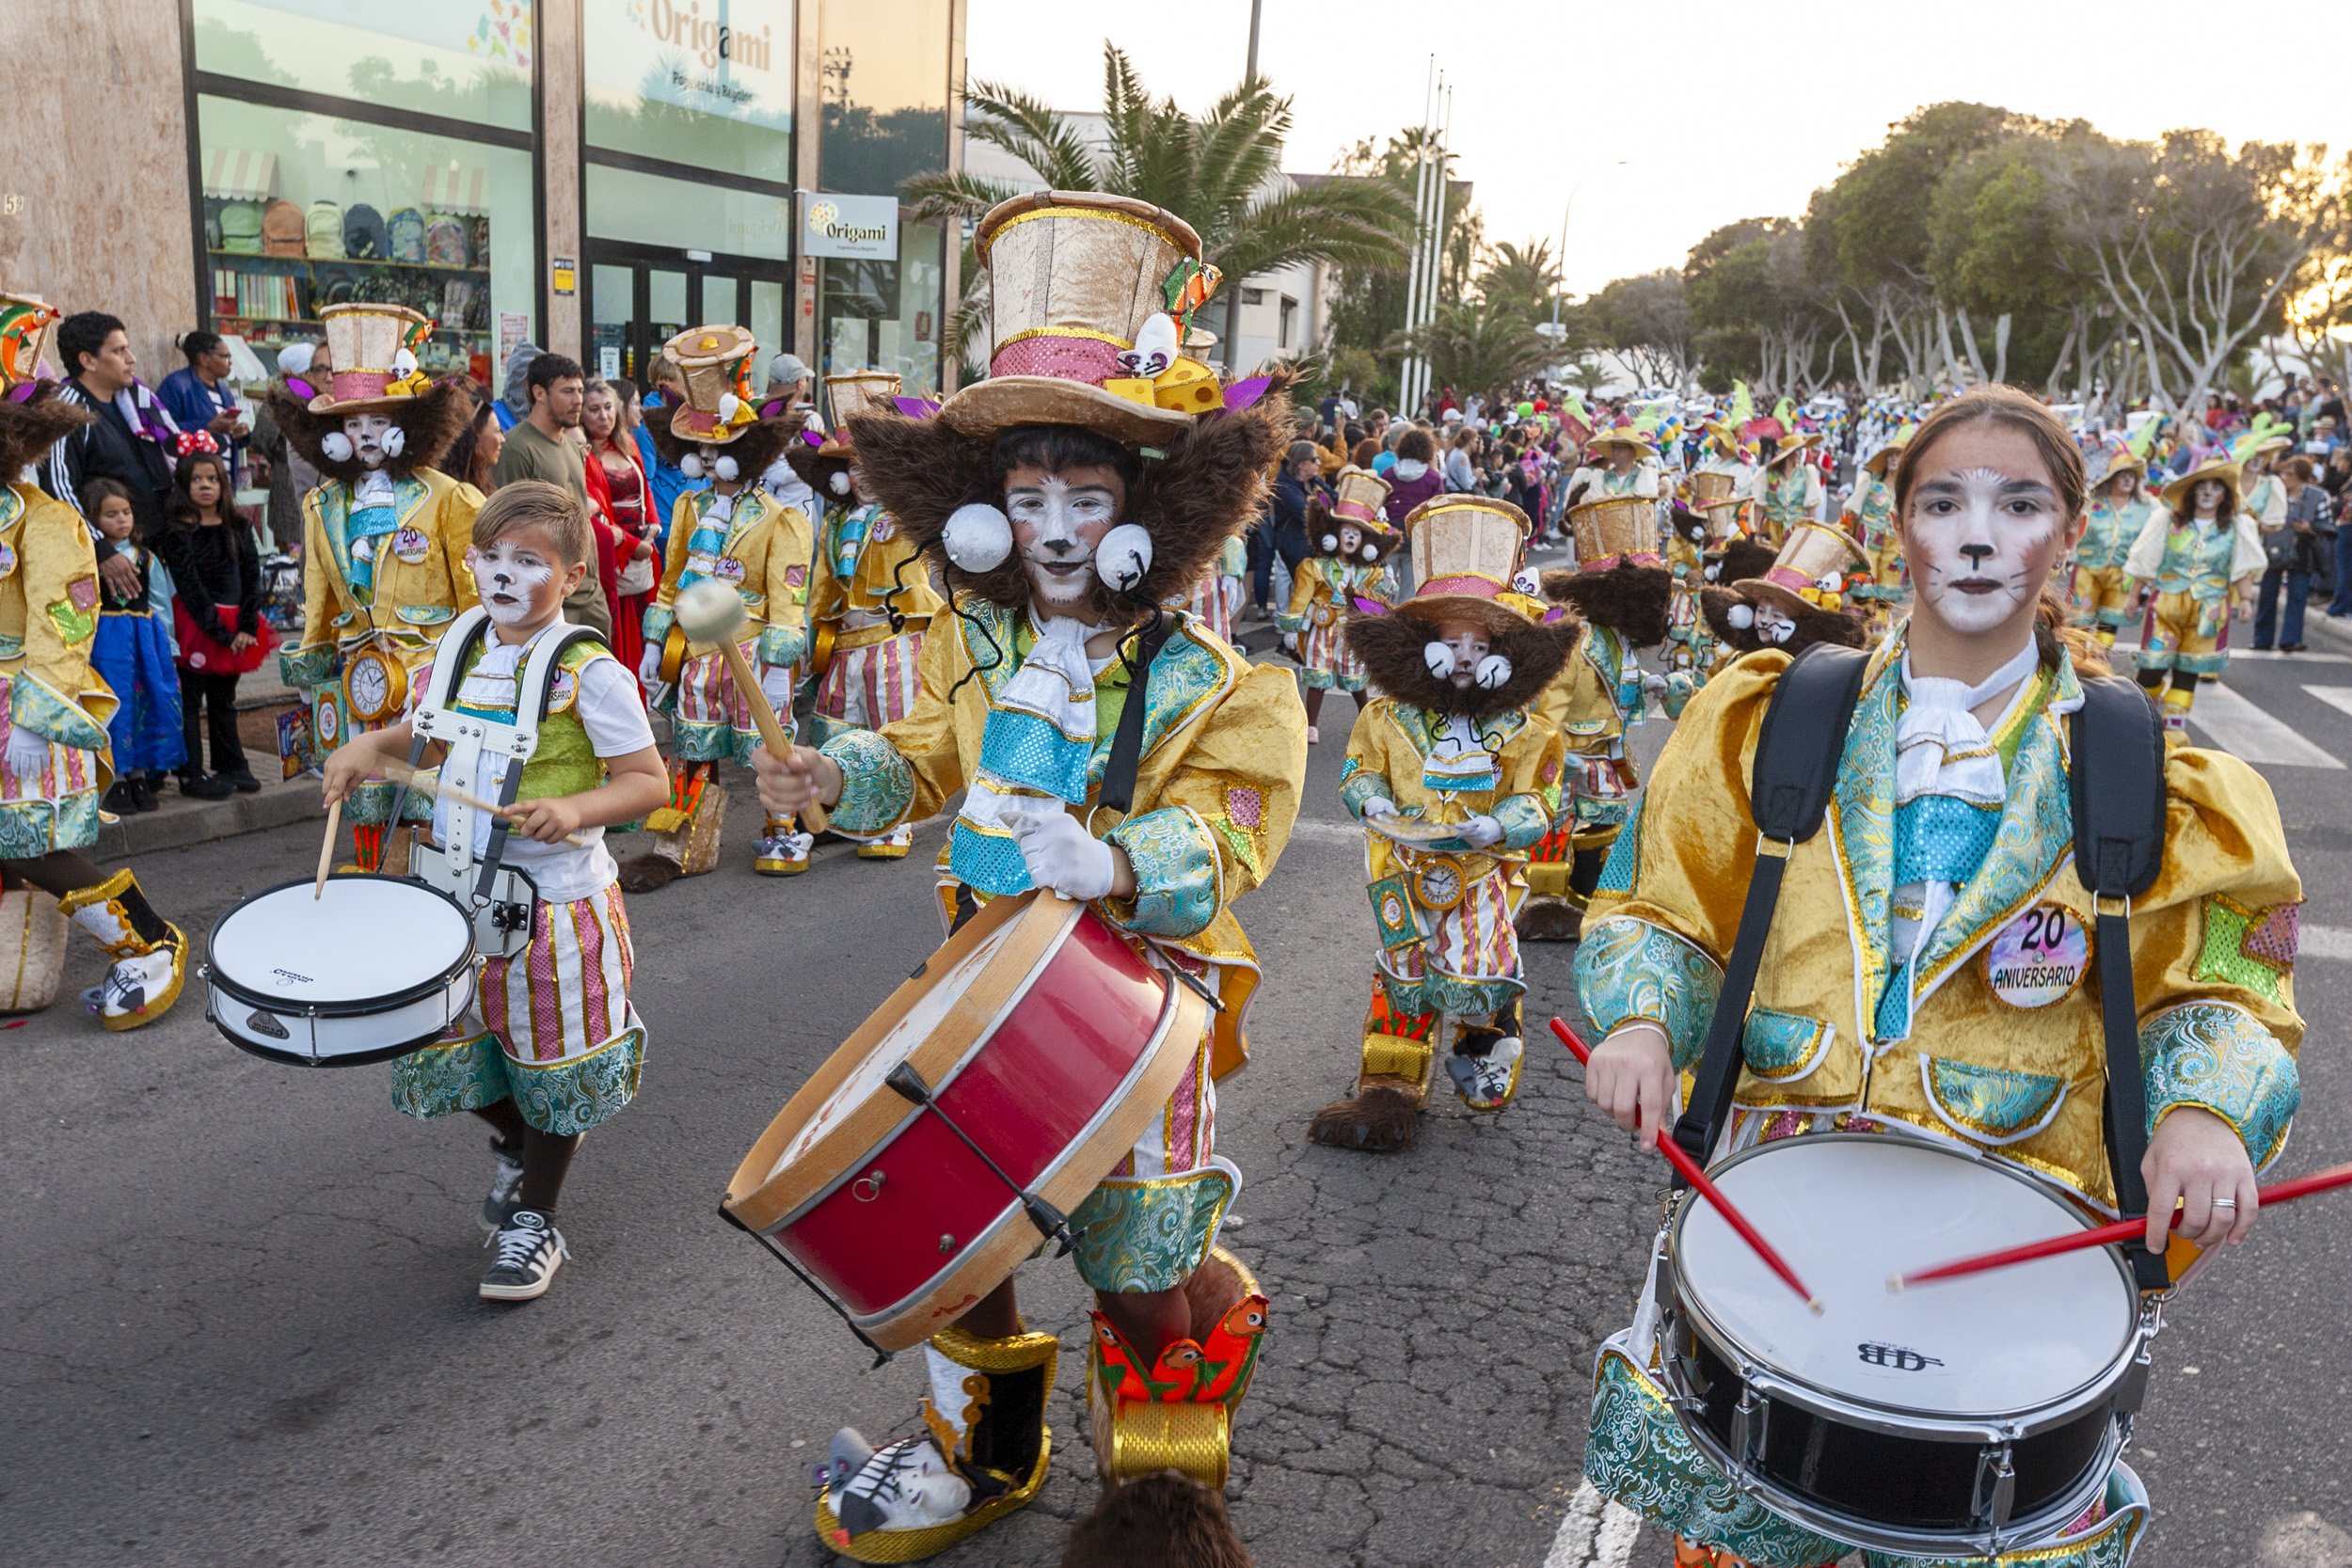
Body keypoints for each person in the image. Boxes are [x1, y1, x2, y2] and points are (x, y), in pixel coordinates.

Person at [1574, 382, 2303, 1568]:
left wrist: (2203, 1111)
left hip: (2016, 1251)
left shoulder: (2149, 778)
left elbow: (2226, 986)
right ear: (1898, 527)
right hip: (1778, 1227)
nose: (1976, 533)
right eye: (1942, 500)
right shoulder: (1764, 721)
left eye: (2016, 504)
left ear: (2070, 534)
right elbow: (1662, 904)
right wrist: (1646, 1020)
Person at [749, 191, 1303, 1567]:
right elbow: (931, 755)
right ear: (988, 509)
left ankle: (1166, 1498)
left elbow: (1234, 836)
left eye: (1088, 495)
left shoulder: (1222, 684)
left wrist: (1119, 857)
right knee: (958, 1239)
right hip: (980, 983)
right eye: (1030, 494)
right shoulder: (979, 647)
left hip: (1132, 1009)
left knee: (1138, 1270)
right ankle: (986, 1446)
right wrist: (837, 778)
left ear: (1148, 511)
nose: (1054, 525)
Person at [321, 481, 667, 1303]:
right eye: (490, 557)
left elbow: (648, 780)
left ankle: (537, 1218)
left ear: (573, 574)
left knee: (552, 1062)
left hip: (554, 902)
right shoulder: (458, 645)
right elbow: (426, 737)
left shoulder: (593, 674)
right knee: (438, 1044)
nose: (503, 575)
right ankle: (525, 1142)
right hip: (449, 891)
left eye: (528, 561)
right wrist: (373, 743)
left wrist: (574, 807)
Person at [1306, 493, 1571, 1151]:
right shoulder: (1385, 717)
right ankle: (1392, 1085)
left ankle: (1486, 1052)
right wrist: (1370, 800)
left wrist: (1501, 826)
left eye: (1477, 644)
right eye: (1450, 642)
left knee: (1480, 973)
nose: (1461, 657)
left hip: (1481, 874)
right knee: (1401, 973)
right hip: (1404, 868)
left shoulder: (1524, 729)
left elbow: (1539, 800)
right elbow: (1359, 769)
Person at [0, 294, 190, 1030]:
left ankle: (148, 941)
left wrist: (35, 717)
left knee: (30, 843)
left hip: (20, 704)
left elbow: (65, 619)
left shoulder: (46, 521)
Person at [266, 301, 484, 871]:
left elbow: (479, 598)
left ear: (403, 427)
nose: (364, 436)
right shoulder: (321, 505)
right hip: (358, 672)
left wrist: (477, 675)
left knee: (426, 787)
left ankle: (425, 882)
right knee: (363, 787)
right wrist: (312, 667)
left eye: (378, 423)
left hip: (428, 674)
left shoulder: (447, 498)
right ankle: (372, 874)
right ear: (335, 433)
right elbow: (322, 593)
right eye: (352, 423)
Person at [627, 324, 810, 887]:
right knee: (694, 747)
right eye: (701, 450)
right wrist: (657, 641)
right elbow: (670, 579)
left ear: (746, 452)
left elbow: (787, 597)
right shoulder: (686, 507)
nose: (709, 460)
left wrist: (781, 666)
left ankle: (783, 831)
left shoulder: (783, 519)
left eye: (720, 449)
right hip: (698, 653)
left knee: (768, 748)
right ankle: (685, 840)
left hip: (754, 648)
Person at [786, 371, 943, 864]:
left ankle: (892, 819)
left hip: (892, 639)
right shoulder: (834, 521)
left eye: (870, 465)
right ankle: (841, 811)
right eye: (852, 467)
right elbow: (821, 585)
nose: (861, 477)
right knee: (835, 727)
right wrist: (810, 639)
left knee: (889, 727)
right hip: (843, 643)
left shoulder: (908, 514)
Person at [156, 441, 271, 797]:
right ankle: (191, 771)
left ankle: (232, 763)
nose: (205, 486)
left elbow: (252, 574)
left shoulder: (237, 525)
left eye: (212, 479)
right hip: (197, 623)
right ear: (183, 486)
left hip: (237, 625)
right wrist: (221, 634)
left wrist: (247, 627)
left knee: (224, 698)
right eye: (196, 480)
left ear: (223, 484)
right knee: (190, 699)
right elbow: (189, 587)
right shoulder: (179, 532)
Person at [2124, 452, 2265, 731]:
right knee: (2151, 668)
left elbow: (2240, 569)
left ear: (2225, 495)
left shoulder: (2237, 527)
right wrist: (2132, 595)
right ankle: (2140, 721)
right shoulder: (2166, 520)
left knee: (2188, 670)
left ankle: (2174, 728)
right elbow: (2146, 559)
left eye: (2215, 488)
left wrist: (2246, 600)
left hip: (2209, 610)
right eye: (2202, 487)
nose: (2208, 493)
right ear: (2191, 492)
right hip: (2166, 604)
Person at [40, 311, 180, 576]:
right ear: (88, 360)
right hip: (107, 565)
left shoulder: (136, 403)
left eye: (128, 348)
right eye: (119, 351)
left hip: (152, 551)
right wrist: (100, 549)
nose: (132, 358)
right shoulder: (68, 412)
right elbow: (57, 489)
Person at [81, 476, 186, 812]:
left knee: (146, 703)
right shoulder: (89, 560)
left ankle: (140, 774)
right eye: (110, 514)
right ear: (92, 520)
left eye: (125, 512)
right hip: (106, 644)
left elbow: (160, 603)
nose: (121, 520)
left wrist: (168, 644)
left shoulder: (146, 558)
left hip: (145, 643)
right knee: (114, 704)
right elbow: (81, 601)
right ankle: (117, 778)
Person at [491, 351, 609, 641]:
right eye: (568, 391)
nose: (578, 400)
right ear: (539, 393)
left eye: (580, 390)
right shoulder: (517, 448)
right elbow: (508, 529)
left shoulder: (571, 446)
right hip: (549, 599)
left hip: (590, 589)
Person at [1278, 466, 1400, 742]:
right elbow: (1301, 596)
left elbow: (1378, 602)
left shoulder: (1369, 573)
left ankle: (1365, 718)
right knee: (1318, 677)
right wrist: (1291, 627)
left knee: (1356, 677)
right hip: (1321, 628)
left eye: (1356, 534)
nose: (1350, 538)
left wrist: (1386, 584)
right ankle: (1312, 725)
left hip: (1350, 630)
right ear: (1334, 536)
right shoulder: (1315, 566)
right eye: (1346, 532)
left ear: (1364, 543)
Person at [581, 378, 656, 673]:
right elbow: (593, 510)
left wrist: (651, 529)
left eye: (609, 407)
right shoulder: (583, 452)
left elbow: (645, 491)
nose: (603, 416)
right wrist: (631, 545)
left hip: (643, 553)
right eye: (594, 409)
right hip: (612, 559)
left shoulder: (627, 443)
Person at [2072, 442, 2152, 648]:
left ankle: (2098, 658)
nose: (2127, 480)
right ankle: (2077, 660)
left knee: (2110, 620)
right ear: (2111, 478)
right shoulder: (2091, 502)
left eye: (2132, 476)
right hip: (2088, 569)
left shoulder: (2148, 507)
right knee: (2080, 619)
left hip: (2123, 573)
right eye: (2122, 475)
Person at [2252, 456, 2332, 653]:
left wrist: (2310, 527)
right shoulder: (2271, 493)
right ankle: (2262, 639)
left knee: (2297, 596)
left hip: (2302, 551)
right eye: (2283, 472)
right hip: (2273, 548)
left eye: (2290, 475)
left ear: (2302, 478)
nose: (2284, 477)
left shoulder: (2318, 496)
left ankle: (2291, 639)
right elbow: (2255, 515)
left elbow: (2328, 526)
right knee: (2267, 595)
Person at [156, 330, 248, 483]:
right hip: (193, 484)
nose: (230, 362)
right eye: (224, 356)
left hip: (224, 483)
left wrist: (241, 433)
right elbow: (162, 431)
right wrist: (208, 426)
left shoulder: (225, 391)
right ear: (204, 359)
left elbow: (226, 440)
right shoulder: (177, 385)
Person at [1250, 437, 1317, 613]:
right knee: (1278, 574)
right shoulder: (1286, 484)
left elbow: (1331, 498)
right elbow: (1305, 514)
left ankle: (1271, 612)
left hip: (1295, 538)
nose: (1319, 464)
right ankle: (1280, 619)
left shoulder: (1312, 481)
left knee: (1282, 575)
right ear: (1301, 464)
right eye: (1314, 460)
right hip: (1285, 538)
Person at [1746, 427, 1822, 547]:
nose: (1799, 454)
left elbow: (1811, 507)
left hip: (1797, 530)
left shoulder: (1806, 473)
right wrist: (1754, 532)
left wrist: (1812, 532)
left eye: (1800, 450)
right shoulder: (1767, 474)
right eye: (1796, 450)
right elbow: (1759, 507)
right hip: (1771, 530)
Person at [441, 384, 504, 498]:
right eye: (497, 431)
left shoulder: (480, 483)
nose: (503, 439)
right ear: (475, 437)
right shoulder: (460, 495)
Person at [1381, 425, 1443, 522]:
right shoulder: (1433, 479)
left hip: (1391, 529)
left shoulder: (1388, 474)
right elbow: (1439, 509)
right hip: (1419, 529)